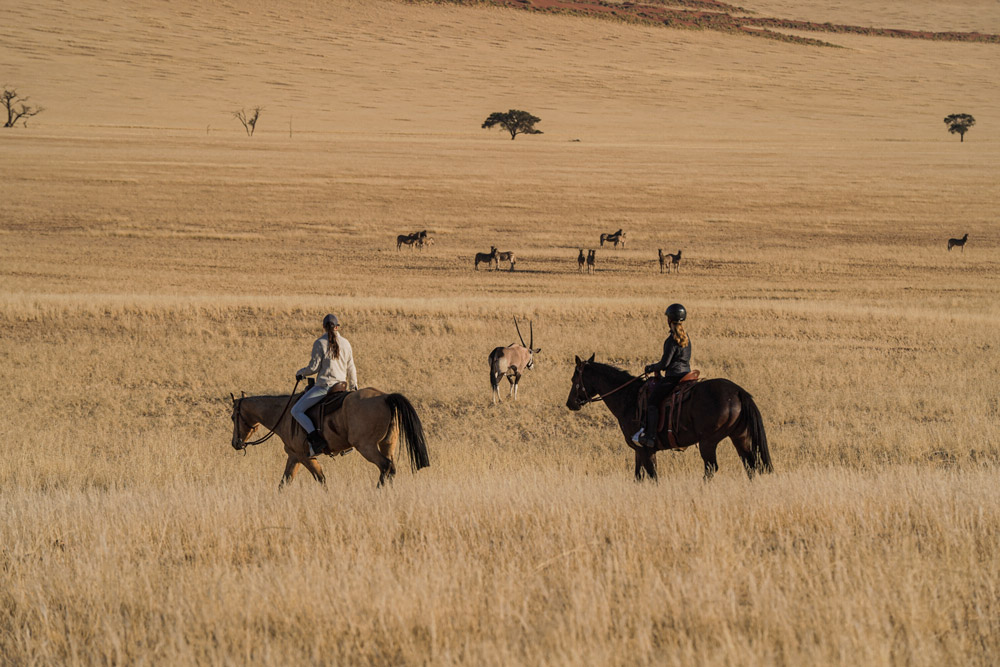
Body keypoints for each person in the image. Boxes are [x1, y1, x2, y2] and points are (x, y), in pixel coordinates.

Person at [291, 314, 358, 456]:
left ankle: (316, 440)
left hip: (324, 387)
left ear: (323, 327)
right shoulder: (346, 343)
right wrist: (354, 386)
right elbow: (351, 366)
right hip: (342, 387)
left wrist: (301, 373)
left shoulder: (320, 343)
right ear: (337, 327)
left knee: (296, 411)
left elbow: (314, 368)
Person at [633, 303, 691, 448]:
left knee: (652, 402)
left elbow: (665, 364)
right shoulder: (686, 337)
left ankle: (651, 436)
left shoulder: (671, 340)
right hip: (686, 374)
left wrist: (651, 367)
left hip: (673, 377)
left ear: (669, 319)